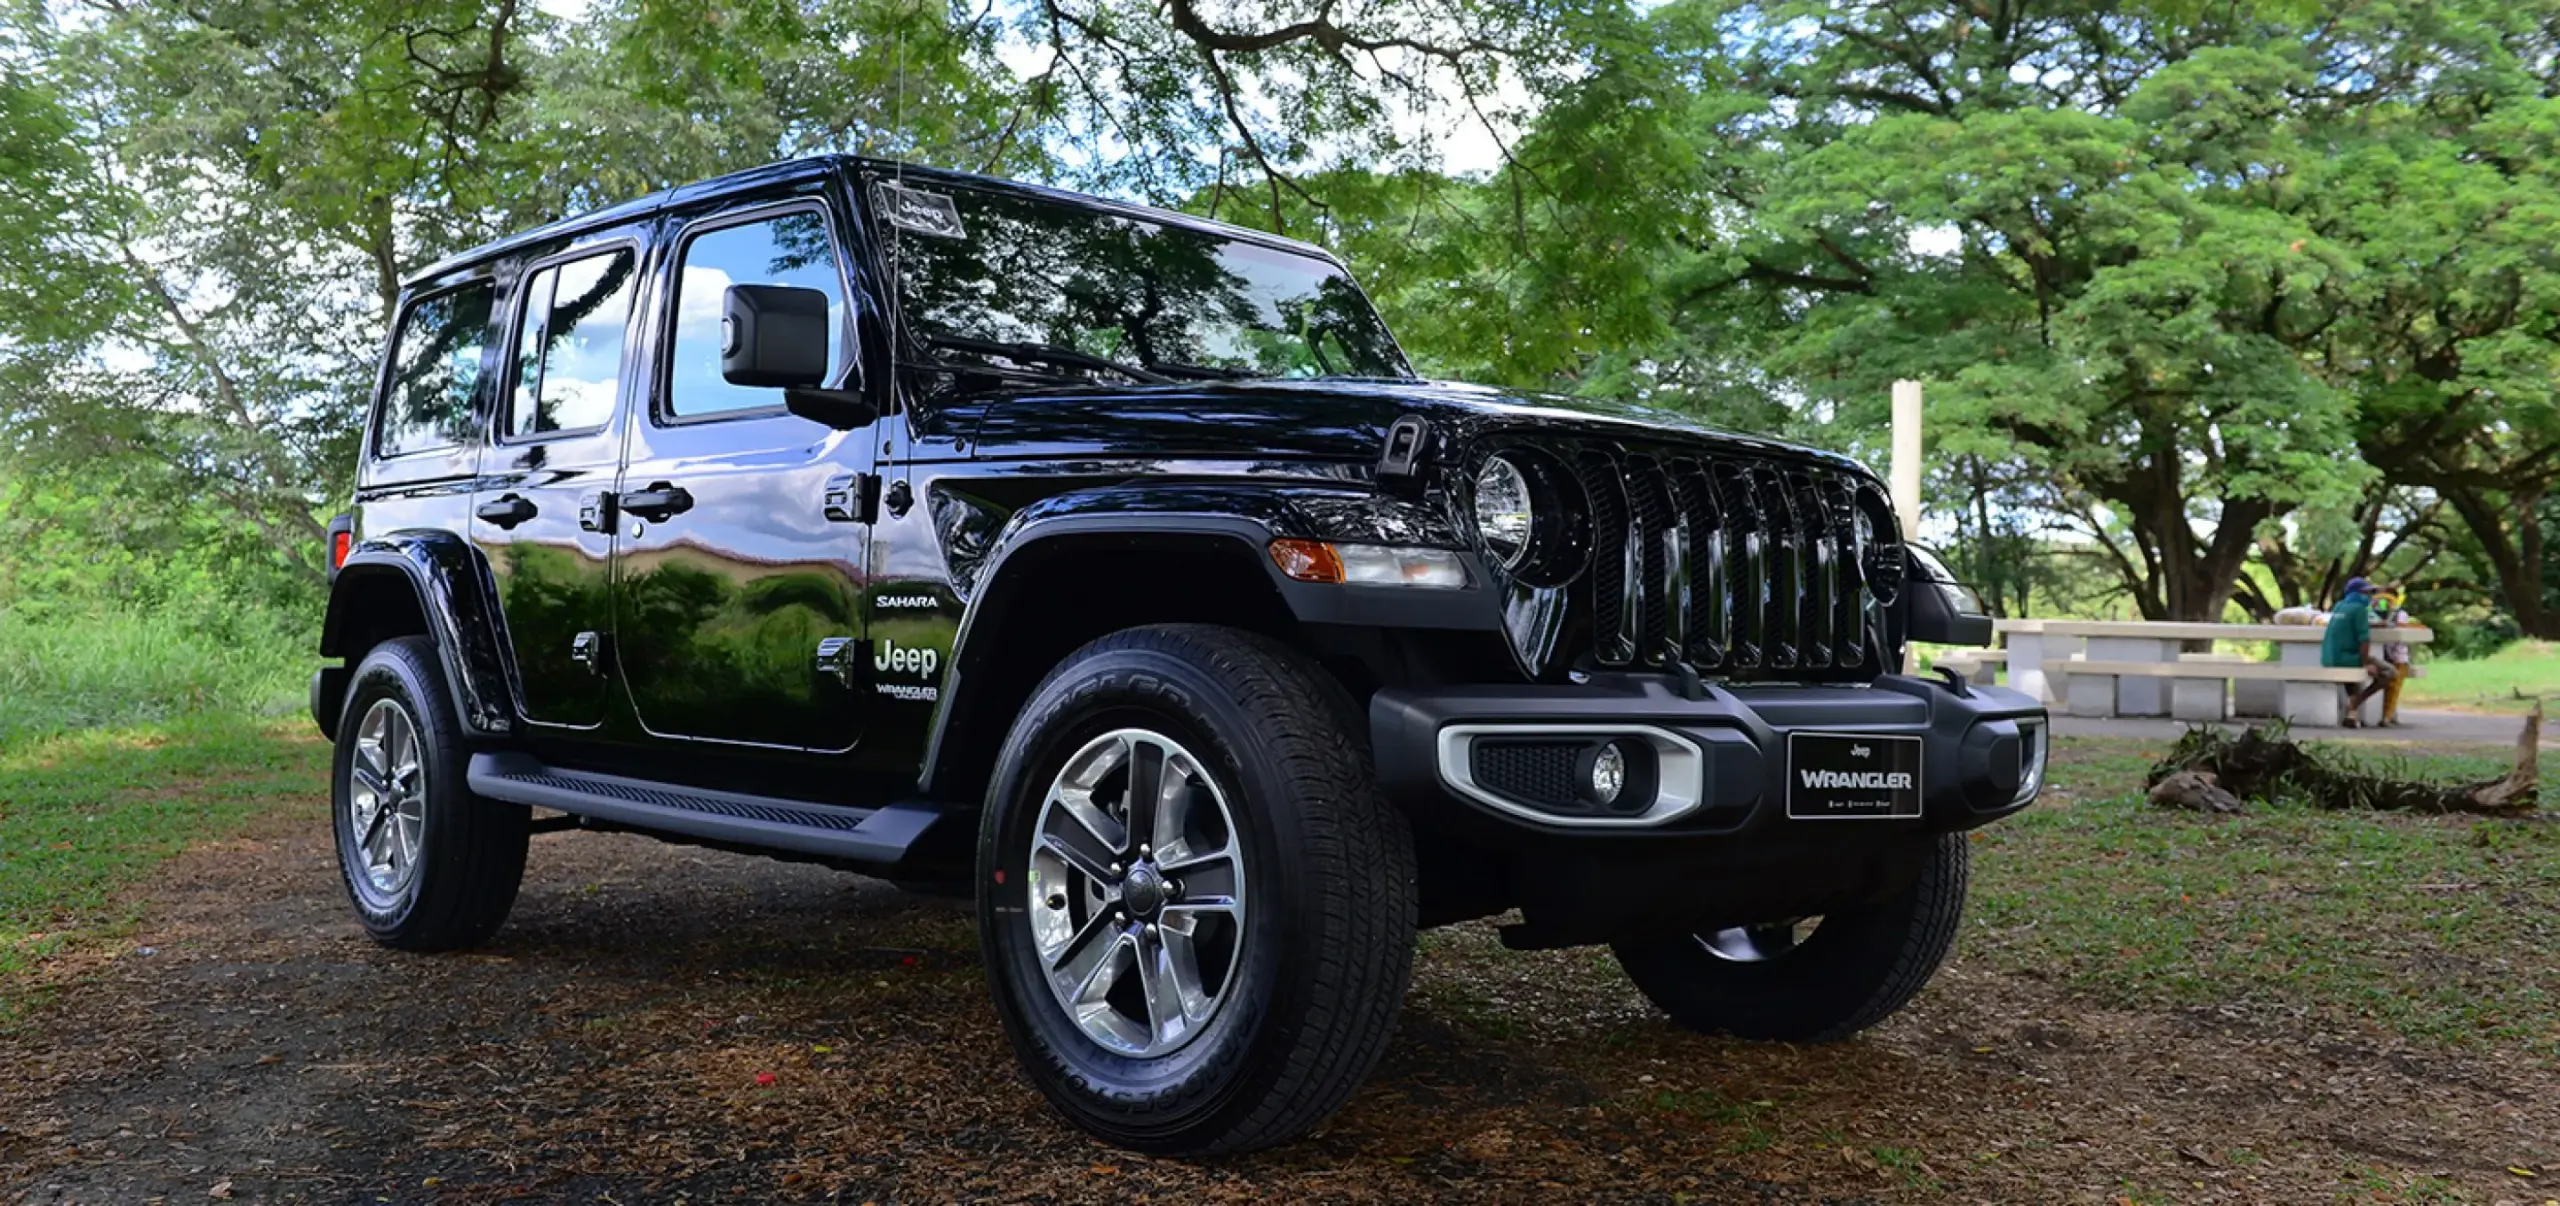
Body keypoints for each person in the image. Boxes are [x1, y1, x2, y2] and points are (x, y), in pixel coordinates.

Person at [2320, 577, 2392, 727]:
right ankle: (2355, 703)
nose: (2369, 596)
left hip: (2329, 657)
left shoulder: (2339, 606)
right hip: (2348, 658)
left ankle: (2351, 716)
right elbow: (2364, 640)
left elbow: (2350, 625)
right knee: (2390, 673)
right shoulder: (2359, 609)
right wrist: (2365, 663)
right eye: (2365, 593)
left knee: (2354, 675)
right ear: (2357, 593)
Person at [2372, 582, 2416, 727]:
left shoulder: (2397, 614)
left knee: (2392, 688)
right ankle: (2386, 716)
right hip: (2391, 654)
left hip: (2392, 654)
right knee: (2392, 688)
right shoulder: (2396, 613)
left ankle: (2388, 715)